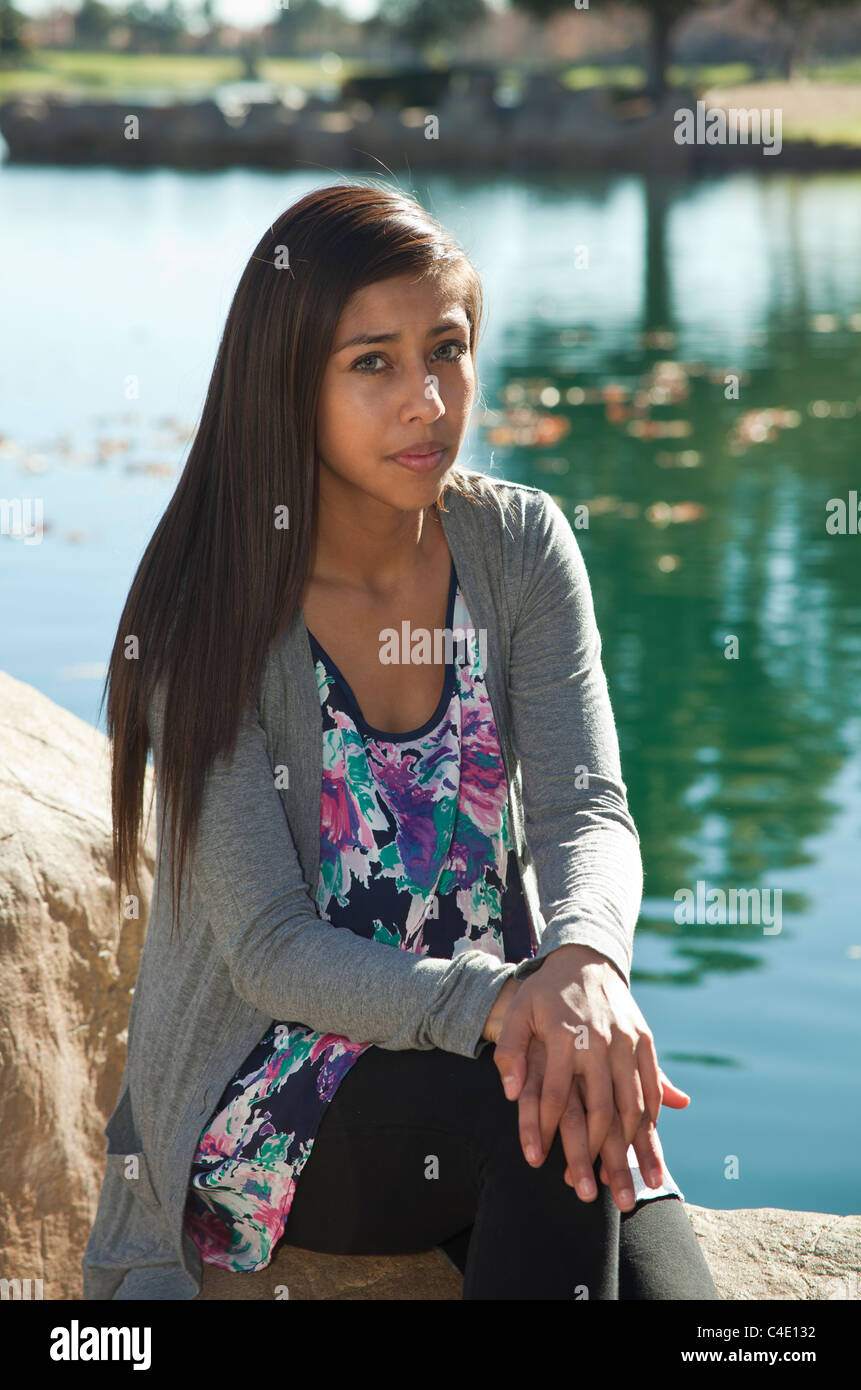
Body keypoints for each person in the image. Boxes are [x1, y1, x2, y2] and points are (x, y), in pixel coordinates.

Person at [84, 180, 719, 1300]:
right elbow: (272, 948)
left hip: (507, 1034)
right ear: (289, 380)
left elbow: (584, 809)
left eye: (448, 349)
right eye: (371, 362)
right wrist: (504, 1006)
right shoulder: (214, 606)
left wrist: (581, 965)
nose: (426, 399)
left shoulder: (516, 545)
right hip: (279, 1082)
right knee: (528, 1115)